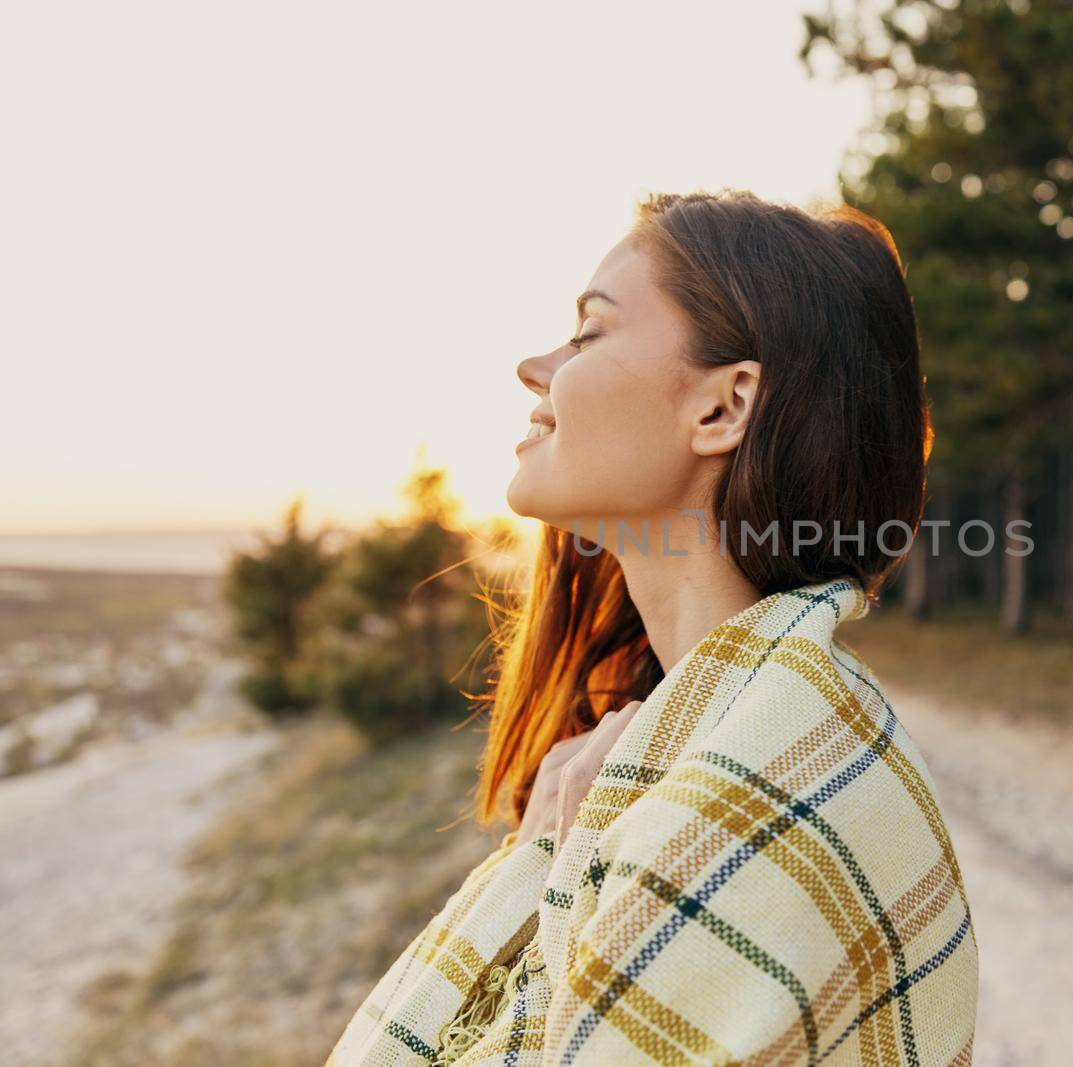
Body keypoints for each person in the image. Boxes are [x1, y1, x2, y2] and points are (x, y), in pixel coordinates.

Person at [326, 188, 979, 1066]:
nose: (534, 365)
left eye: (589, 332)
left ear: (722, 407)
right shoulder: (737, 734)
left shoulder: (755, 791)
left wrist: (544, 856)